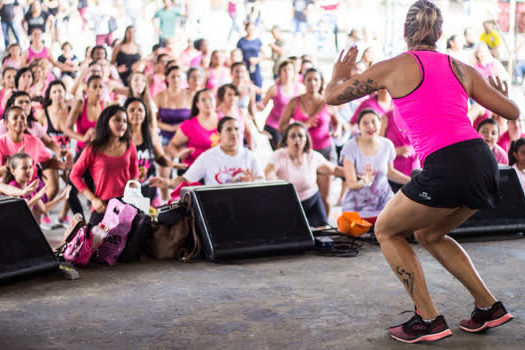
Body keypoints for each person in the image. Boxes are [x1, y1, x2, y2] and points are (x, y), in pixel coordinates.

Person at [325, 0, 519, 343]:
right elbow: (511, 110)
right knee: (428, 234)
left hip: (447, 164)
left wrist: (340, 72)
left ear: (404, 32)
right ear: (441, 33)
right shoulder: (461, 68)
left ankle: (428, 319)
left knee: (386, 230)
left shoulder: (393, 66)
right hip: (482, 161)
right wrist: (497, 92)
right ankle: (489, 307)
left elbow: (333, 97)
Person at [279, 68, 340, 216]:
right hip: (302, 153)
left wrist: (336, 132)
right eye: (309, 79)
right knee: (302, 194)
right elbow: (281, 127)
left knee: (325, 195)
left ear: (320, 83)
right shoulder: (295, 102)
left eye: (316, 80)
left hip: (324, 150)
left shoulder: (328, 102)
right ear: (303, 82)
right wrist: (303, 127)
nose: (312, 83)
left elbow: (338, 123)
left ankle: (324, 227)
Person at [265, 122, 343, 228]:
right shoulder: (279, 155)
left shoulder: (312, 156)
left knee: (323, 232)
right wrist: (273, 181)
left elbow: (333, 169)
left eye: (301, 136)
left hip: (312, 201)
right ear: (286, 140)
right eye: (293, 136)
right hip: (289, 205)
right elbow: (268, 174)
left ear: (306, 139)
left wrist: (352, 173)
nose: (297, 139)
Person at [70, 105, 139, 225]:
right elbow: (74, 175)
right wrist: (93, 199)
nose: (122, 124)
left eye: (125, 121)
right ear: (106, 122)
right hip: (102, 205)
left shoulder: (130, 146)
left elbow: (134, 172)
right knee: (93, 242)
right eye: (117, 120)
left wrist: (132, 194)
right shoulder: (92, 149)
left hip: (126, 205)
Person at [150, 116, 262, 189]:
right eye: (229, 129)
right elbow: (186, 180)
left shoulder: (250, 156)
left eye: (237, 129)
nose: (234, 133)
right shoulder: (208, 157)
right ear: (219, 134)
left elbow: (262, 182)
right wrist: (167, 183)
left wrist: (253, 182)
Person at [341, 109, 410, 222]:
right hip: (358, 206)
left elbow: (390, 172)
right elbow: (351, 184)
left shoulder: (387, 145)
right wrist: (365, 181)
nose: (370, 126)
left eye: (374, 122)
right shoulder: (350, 147)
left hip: (384, 202)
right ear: (358, 127)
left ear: (380, 124)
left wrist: (412, 181)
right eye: (365, 123)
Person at [125, 97, 186, 202]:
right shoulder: (120, 136)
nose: (136, 113)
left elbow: (160, 158)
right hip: (126, 190)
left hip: (149, 188)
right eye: (132, 110)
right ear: (125, 113)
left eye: (140, 110)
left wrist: (174, 165)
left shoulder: (152, 135)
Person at [3, 152, 70, 222]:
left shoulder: (30, 186)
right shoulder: (12, 187)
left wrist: (61, 198)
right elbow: (18, 212)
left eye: (30, 167)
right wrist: (36, 197)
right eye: (24, 168)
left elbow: (43, 209)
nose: (29, 170)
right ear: (13, 171)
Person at [168, 88, 219, 167]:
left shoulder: (225, 122)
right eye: (203, 100)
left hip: (219, 170)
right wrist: (179, 155)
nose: (208, 102)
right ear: (197, 104)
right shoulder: (189, 125)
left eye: (210, 99)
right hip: (194, 171)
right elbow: (172, 145)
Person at [258, 60, 300, 150]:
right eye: (284, 70)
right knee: (280, 153)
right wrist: (256, 103)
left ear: (294, 72)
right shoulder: (274, 89)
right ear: (280, 72)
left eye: (290, 69)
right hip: (274, 126)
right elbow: (262, 106)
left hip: (291, 127)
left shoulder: (299, 89)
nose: (287, 72)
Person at [379, 109, 419, 192]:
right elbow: (378, 149)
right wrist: (395, 151)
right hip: (394, 177)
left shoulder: (416, 116)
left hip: (413, 173)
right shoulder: (386, 118)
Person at [216, 83, 253, 149]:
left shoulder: (241, 112)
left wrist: (251, 150)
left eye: (235, 95)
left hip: (239, 151)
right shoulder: (216, 113)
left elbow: (248, 133)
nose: (233, 97)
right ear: (222, 96)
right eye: (229, 95)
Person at [237, 22, 263, 99]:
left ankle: (257, 101)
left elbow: (264, 54)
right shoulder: (241, 41)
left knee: (257, 82)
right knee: (246, 83)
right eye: (249, 28)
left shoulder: (257, 40)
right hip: (244, 65)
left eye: (252, 28)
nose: (250, 30)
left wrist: (257, 59)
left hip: (255, 65)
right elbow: (238, 53)